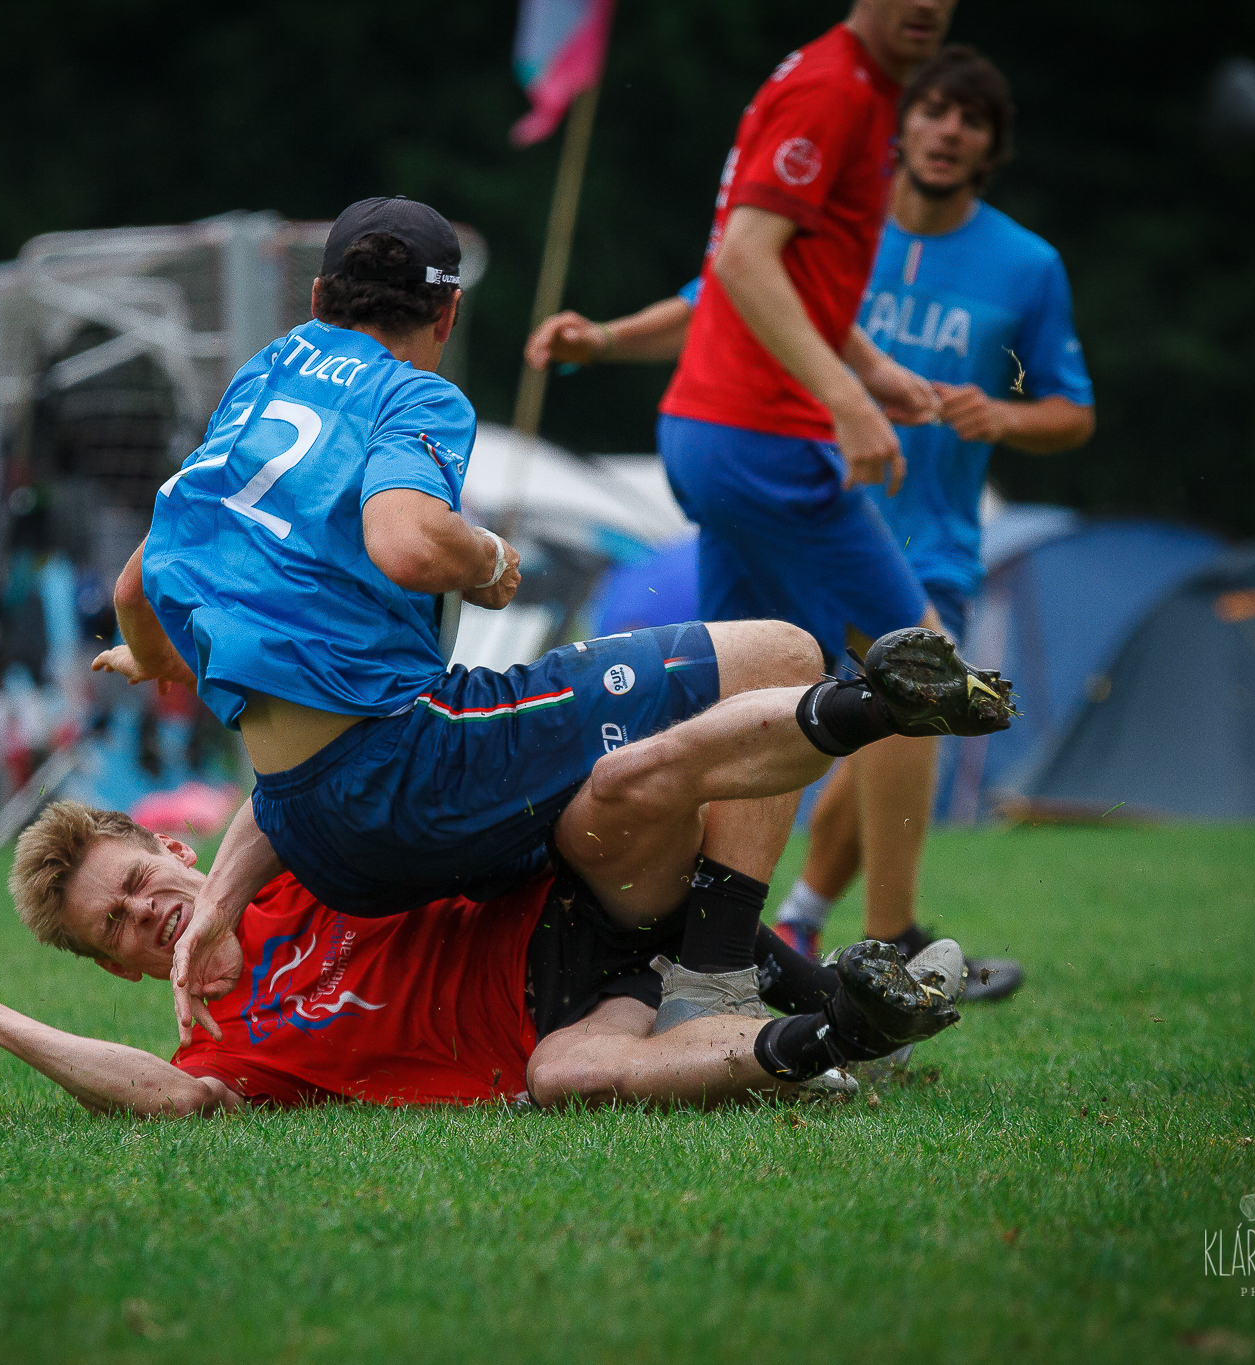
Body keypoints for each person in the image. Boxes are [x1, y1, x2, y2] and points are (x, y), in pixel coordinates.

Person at [99, 193, 1010, 1043]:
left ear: (314, 296)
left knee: (623, 831)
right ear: (447, 316)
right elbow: (409, 545)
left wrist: (153, 659)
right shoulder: (414, 392)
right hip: (405, 768)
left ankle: (832, 1009)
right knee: (780, 653)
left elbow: (137, 586)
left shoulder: (264, 378)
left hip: (303, 824)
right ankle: (733, 962)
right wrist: (489, 559)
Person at [526, 43, 1093, 1001]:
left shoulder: (1023, 262)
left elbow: (1071, 410)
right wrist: (613, 339)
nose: (948, 129)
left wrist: (988, 410)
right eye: (935, 109)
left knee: (828, 705)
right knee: (906, 678)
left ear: (994, 146)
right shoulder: (837, 171)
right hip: (786, 472)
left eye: (974, 118)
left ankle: (741, 935)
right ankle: (879, 941)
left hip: (926, 528)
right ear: (901, 125)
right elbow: (729, 286)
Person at [0, 802, 967, 1115]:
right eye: (111, 927)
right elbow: (167, 1100)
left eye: (134, 882)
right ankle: (842, 1026)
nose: (142, 915)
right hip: (570, 1023)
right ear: (114, 970)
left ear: (171, 848)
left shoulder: (282, 856)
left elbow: (292, 784)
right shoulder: (221, 1042)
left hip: (576, 903)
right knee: (566, 1080)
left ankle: (845, 983)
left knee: (640, 789)